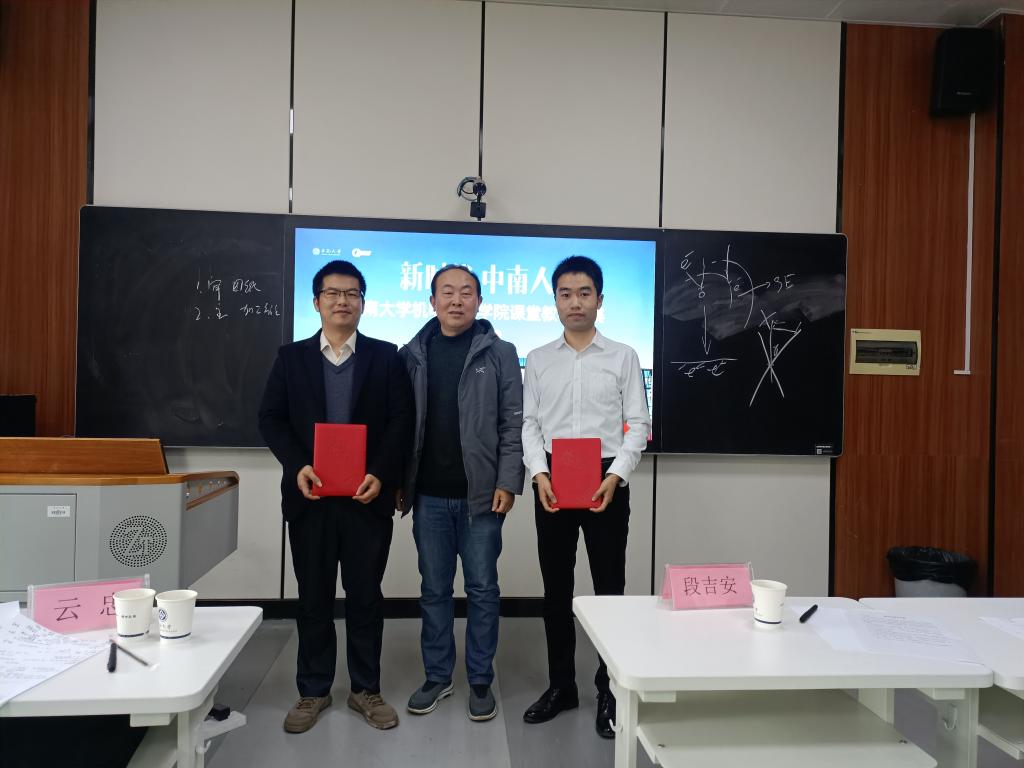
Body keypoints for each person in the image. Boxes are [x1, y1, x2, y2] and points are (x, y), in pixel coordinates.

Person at [258, 260, 414, 734]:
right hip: (311, 498)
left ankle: (365, 689)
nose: (342, 301)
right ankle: (313, 690)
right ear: (316, 302)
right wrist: (297, 465)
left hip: (367, 499)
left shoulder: (386, 357)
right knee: (314, 598)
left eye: (352, 293)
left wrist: (381, 474)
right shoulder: (291, 358)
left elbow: (401, 422)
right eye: (333, 293)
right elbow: (271, 419)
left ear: (364, 302)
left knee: (365, 597)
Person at [520, 255, 651, 739]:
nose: (575, 302)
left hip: (605, 479)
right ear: (555, 300)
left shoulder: (623, 356)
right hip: (554, 480)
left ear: (599, 299)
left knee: (609, 590)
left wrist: (615, 476)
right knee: (555, 590)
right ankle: (562, 686)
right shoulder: (538, 359)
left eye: (584, 293)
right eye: (565, 294)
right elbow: (529, 424)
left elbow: (637, 423)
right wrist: (539, 474)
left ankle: (608, 690)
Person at [398, 264, 525, 722]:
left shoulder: (501, 353)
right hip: (428, 496)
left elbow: (513, 423)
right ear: (432, 301)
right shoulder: (411, 355)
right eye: (447, 292)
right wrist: (400, 482)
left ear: (479, 301)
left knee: (482, 590)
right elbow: (399, 425)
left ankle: (480, 679)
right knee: (433, 590)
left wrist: (508, 481)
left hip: (481, 498)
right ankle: (438, 676)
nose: (457, 300)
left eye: (466, 292)